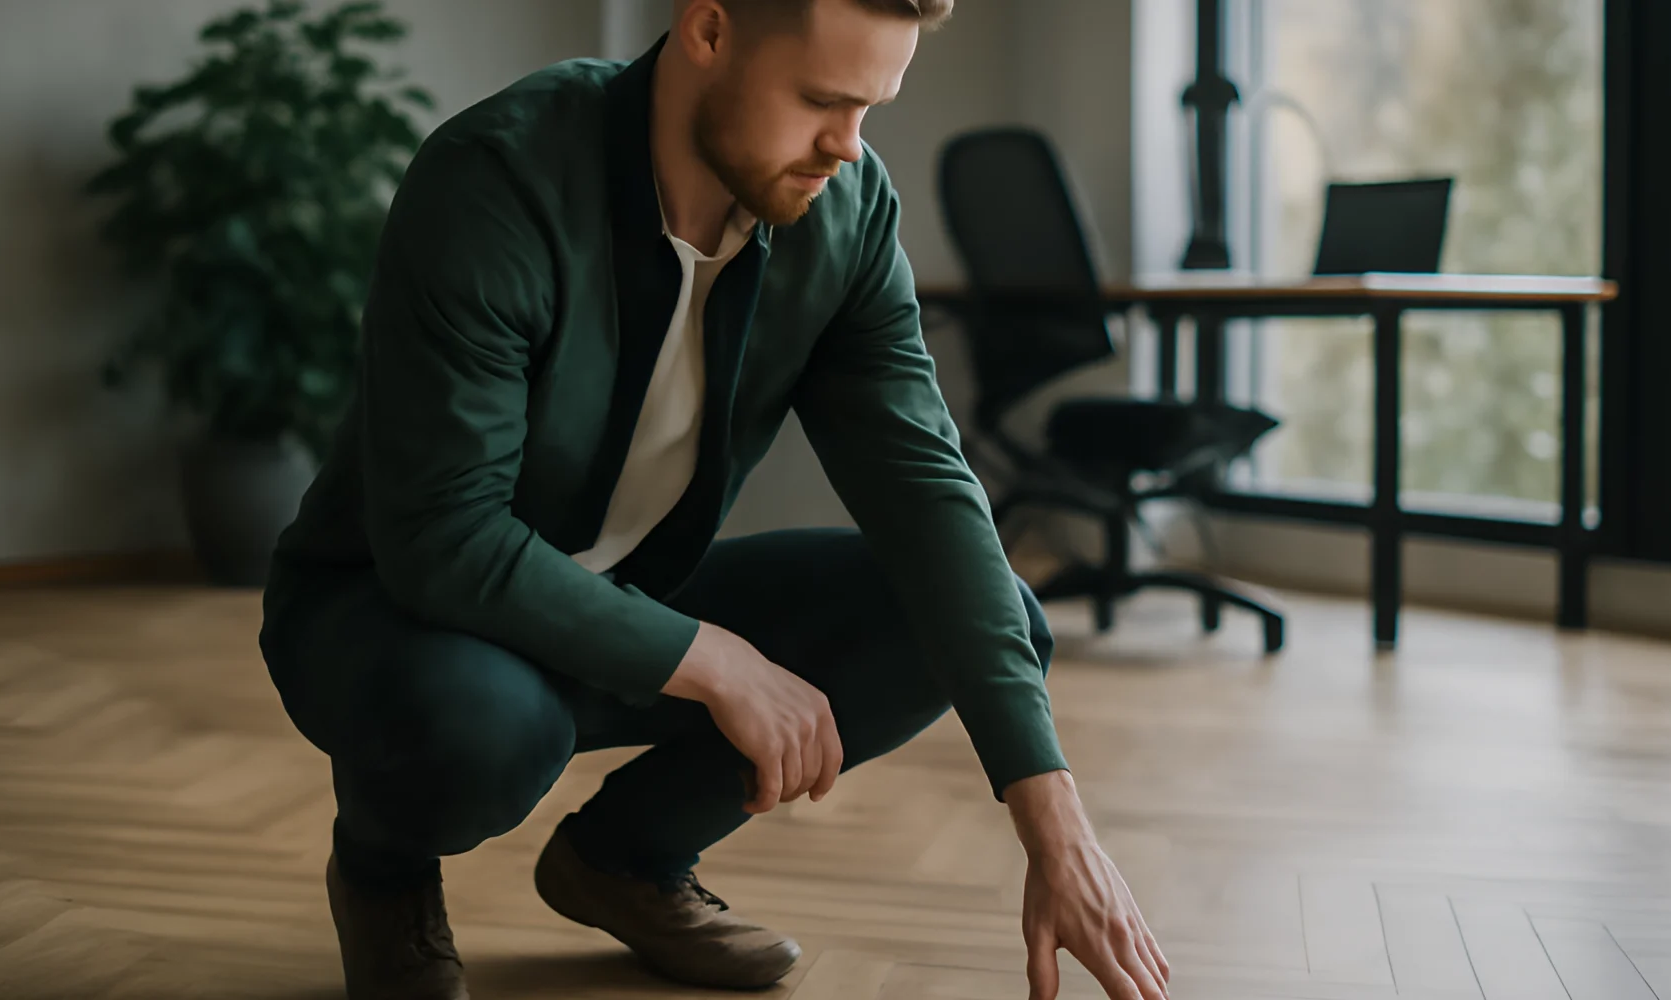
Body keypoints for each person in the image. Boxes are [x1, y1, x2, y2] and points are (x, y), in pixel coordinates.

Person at [257, 1, 1170, 997]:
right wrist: (713, 660)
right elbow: (444, 538)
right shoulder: (497, 179)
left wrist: (1054, 821)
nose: (845, 147)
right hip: (397, 611)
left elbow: (928, 495)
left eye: (868, 107)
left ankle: (622, 860)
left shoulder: (846, 209)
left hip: (619, 598)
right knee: (482, 732)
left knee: (978, 614)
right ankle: (383, 868)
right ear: (706, 30)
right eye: (821, 100)